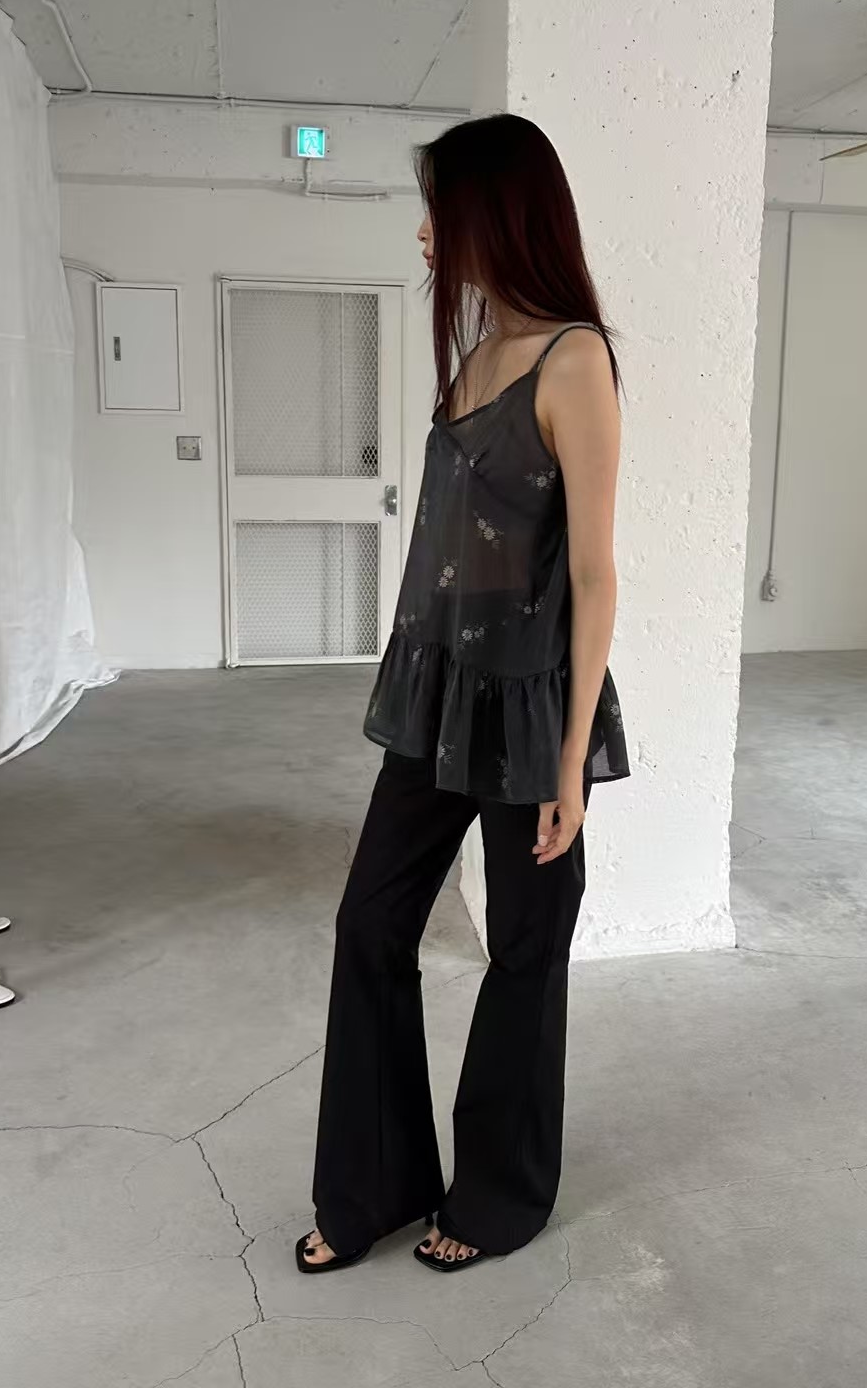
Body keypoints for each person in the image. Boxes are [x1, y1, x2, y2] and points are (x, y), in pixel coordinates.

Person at [297, 113, 630, 1276]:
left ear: (498, 211)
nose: (427, 235)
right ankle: (375, 1185)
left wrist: (572, 763)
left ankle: (499, 1197)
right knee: (371, 923)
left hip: (533, 704)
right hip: (441, 697)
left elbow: (593, 573)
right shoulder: (481, 351)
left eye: (440, 209)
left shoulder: (573, 360)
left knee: (526, 950)